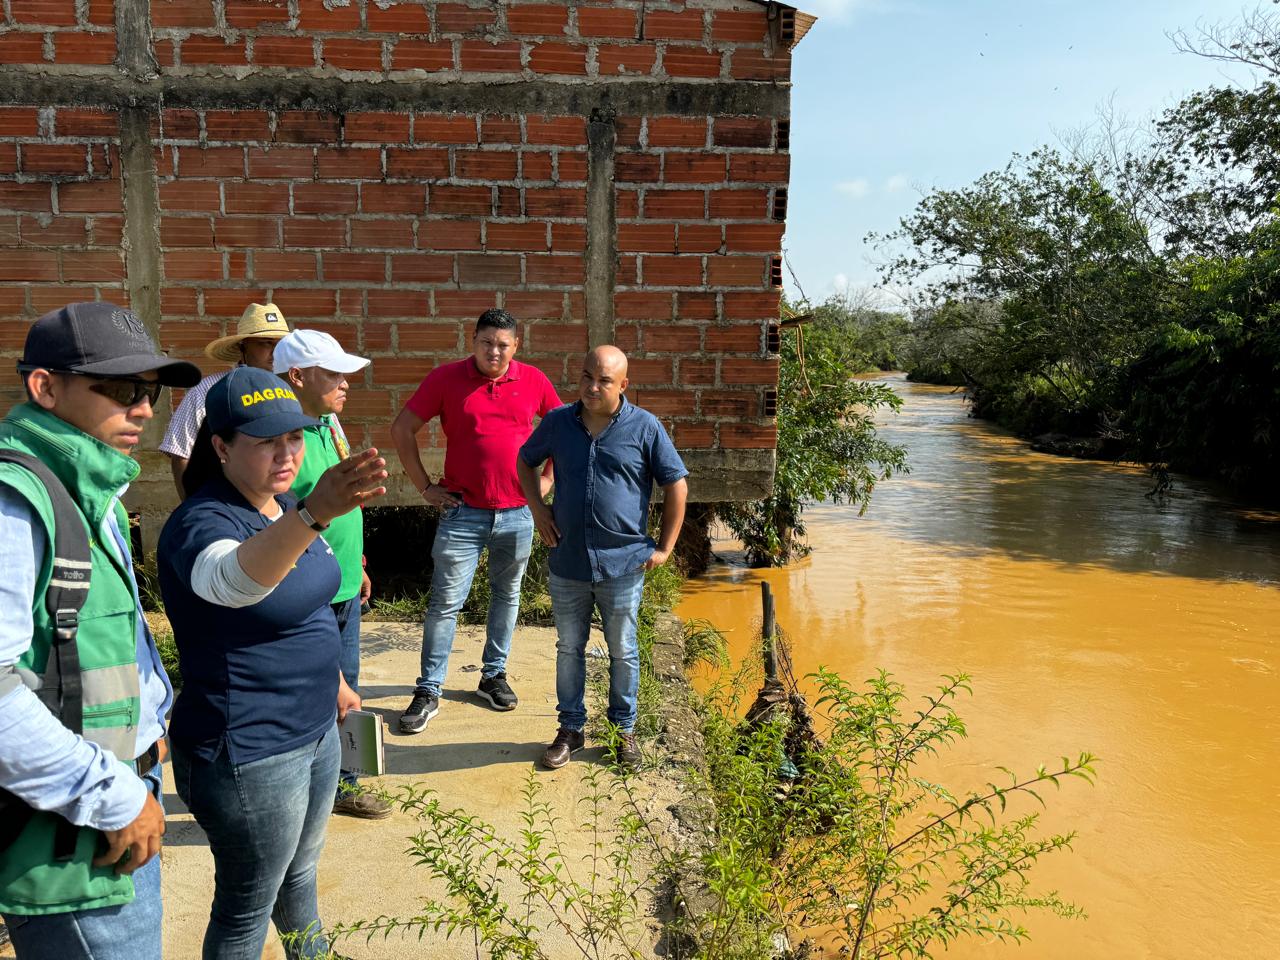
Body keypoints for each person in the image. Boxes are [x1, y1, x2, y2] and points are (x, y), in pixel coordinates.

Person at [158, 367, 387, 959]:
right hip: (250, 750)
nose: (286, 454)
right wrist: (313, 514)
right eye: (265, 441)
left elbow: (308, 604)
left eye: (294, 437)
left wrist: (335, 679)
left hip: (314, 730)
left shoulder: (279, 505)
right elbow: (231, 581)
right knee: (245, 908)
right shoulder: (201, 522)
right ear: (221, 447)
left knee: (300, 878)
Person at [0, 303, 200, 958]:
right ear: (45, 387)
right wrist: (114, 793)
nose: (143, 408)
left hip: (104, 803)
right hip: (73, 832)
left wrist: (149, 733)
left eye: (151, 390)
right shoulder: (16, 504)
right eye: (119, 389)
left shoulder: (91, 487)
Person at [390, 308, 562, 734]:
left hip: (518, 514)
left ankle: (492, 676)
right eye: (487, 343)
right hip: (462, 513)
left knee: (507, 596)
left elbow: (564, 430)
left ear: (516, 346)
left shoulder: (534, 380)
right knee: (445, 603)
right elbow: (401, 429)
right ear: (474, 341)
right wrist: (425, 488)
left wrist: (545, 482)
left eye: (503, 345)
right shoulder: (446, 379)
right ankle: (429, 689)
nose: (495, 352)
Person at [517, 346, 688, 772]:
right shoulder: (558, 423)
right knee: (568, 647)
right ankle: (570, 729)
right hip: (568, 560)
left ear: (623, 385)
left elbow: (676, 485)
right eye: (587, 376)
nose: (593, 386)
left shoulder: (645, 428)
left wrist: (665, 548)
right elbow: (525, 460)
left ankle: (622, 731)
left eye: (605, 380)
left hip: (623, 564)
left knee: (623, 650)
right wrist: (538, 510)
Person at [273, 329, 389, 820]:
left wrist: (357, 562)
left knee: (349, 685)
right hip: (307, 586)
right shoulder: (280, 438)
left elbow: (343, 502)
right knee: (314, 686)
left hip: (341, 579)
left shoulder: (329, 424)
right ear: (297, 377)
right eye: (333, 374)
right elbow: (280, 512)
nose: (345, 383)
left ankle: (343, 780)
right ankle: (311, 782)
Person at [159, 302, 290, 497]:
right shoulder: (210, 390)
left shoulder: (294, 390)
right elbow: (181, 454)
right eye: (266, 343)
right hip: (222, 506)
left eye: (281, 344)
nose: (275, 352)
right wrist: (191, 508)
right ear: (242, 346)